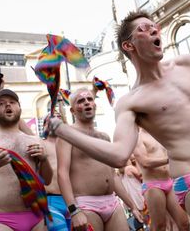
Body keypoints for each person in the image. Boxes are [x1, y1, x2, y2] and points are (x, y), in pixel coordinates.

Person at [48, 11, 190, 231]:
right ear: (129, 46)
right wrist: (65, 131)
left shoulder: (186, 64)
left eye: (155, 27)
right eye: (143, 28)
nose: (153, 30)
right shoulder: (131, 102)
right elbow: (119, 155)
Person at [56, 88, 143, 231]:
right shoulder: (68, 135)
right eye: (81, 101)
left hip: (112, 203)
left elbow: (113, 176)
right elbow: (62, 174)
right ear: (72, 111)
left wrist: (132, 206)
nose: (87, 103)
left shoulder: (104, 137)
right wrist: (74, 210)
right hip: (86, 205)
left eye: (90, 99)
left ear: (95, 105)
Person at [0, 89, 53, 230]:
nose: (7, 105)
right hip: (0, 219)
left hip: (36, 218)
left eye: (12, 102)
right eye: (1, 103)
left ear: (19, 109)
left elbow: (47, 180)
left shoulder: (35, 140)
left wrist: (44, 159)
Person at [133, 128, 189, 231]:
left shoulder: (161, 133)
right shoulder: (137, 137)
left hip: (169, 181)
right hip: (153, 185)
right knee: (160, 226)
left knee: (184, 224)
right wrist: (169, 159)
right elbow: (145, 162)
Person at [42, 113, 72, 231]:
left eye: (58, 119)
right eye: (50, 119)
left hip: (73, 201)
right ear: (44, 126)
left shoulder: (70, 146)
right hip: (51, 202)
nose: (54, 121)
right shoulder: (40, 143)